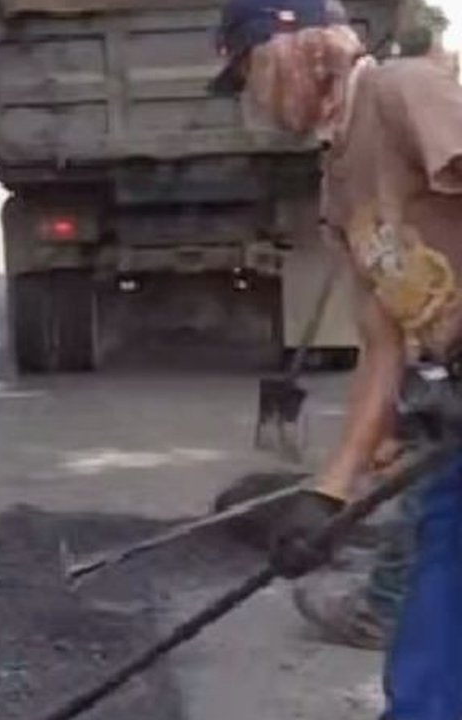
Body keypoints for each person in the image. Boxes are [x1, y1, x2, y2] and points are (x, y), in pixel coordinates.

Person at [210, 1, 462, 717]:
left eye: (249, 74)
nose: (251, 99)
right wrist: (330, 495)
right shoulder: (338, 180)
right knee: (439, 588)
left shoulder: (403, 92)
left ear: (289, 51)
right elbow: (382, 344)